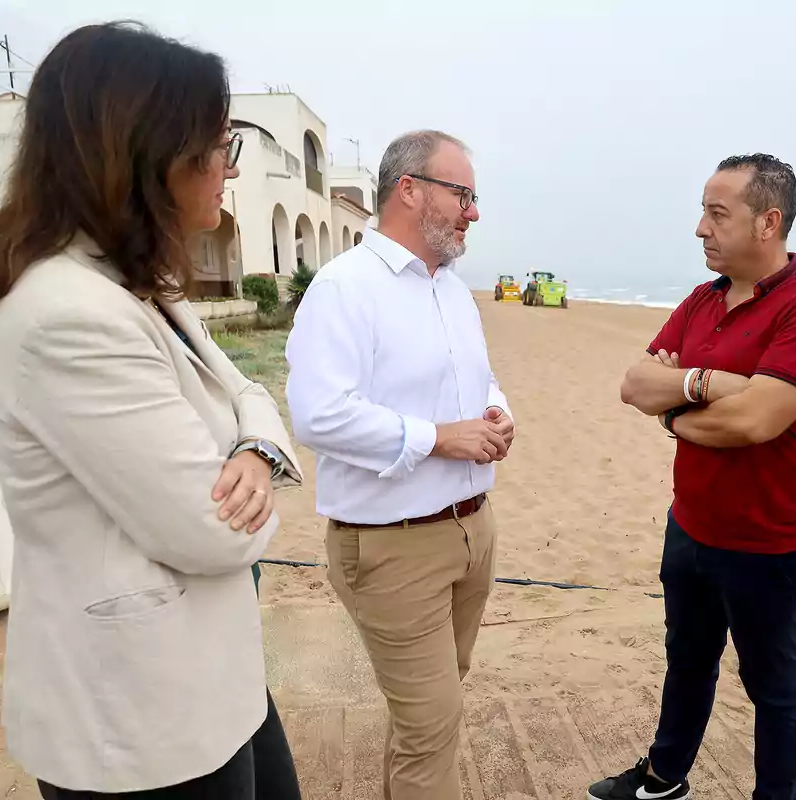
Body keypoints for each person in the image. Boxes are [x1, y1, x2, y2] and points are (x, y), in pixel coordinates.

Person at [0, 22, 303, 799]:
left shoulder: (137, 283)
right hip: (140, 728)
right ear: (150, 151)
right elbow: (213, 534)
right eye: (218, 144)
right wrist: (256, 479)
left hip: (213, 685)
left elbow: (251, 393)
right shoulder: (66, 313)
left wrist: (256, 454)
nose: (229, 167)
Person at [589, 155, 796, 800]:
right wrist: (708, 385)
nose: (699, 228)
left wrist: (677, 409)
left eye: (716, 213)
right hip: (693, 524)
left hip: (774, 542)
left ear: (769, 221)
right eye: (703, 211)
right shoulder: (701, 300)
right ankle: (662, 777)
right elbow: (635, 384)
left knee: (774, 687)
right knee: (688, 661)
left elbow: (754, 422)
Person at [285, 130, 512, 800]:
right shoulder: (344, 289)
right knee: (432, 726)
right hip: (392, 548)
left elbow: (479, 379)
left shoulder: (451, 290)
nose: (474, 212)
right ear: (408, 190)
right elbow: (318, 415)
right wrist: (438, 438)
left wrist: (499, 415)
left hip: (472, 530)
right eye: (462, 194)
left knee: (430, 713)